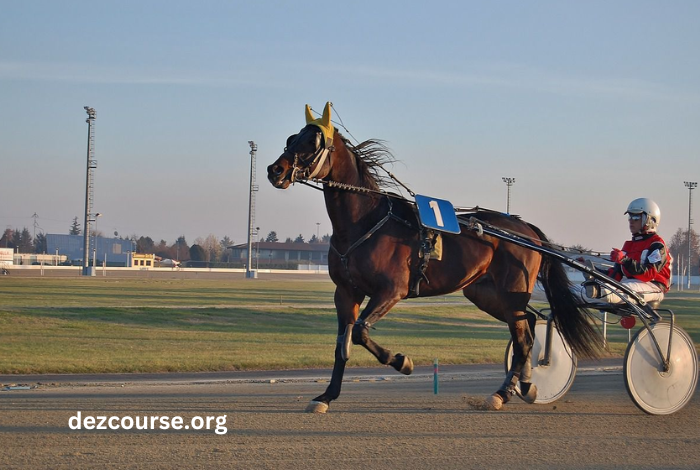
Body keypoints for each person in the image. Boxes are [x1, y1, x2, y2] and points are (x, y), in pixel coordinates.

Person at [579, 198, 671, 305]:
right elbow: (614, 276)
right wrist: (590, 269)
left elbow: (648, 274)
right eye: (630, 217)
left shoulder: (657, 245)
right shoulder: (629, 246)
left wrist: (624, 260)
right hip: (630, 284)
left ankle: (598, 291)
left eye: (636, 217)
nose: (631, 220)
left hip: (653, 286)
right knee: (578, 291)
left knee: (610, 290)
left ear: (650, 220)